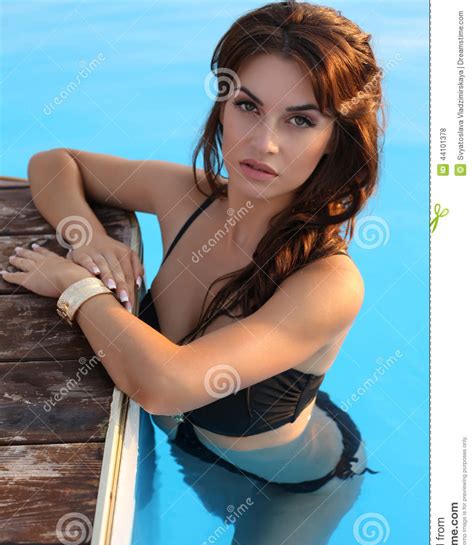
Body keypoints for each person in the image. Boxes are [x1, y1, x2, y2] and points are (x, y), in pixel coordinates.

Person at [4, 0, 383, 491]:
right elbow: (53, 163)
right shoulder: (187, 197)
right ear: (223, 106)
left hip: (294, 483)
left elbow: (165, 385)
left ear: (336, 137)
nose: (263, 143)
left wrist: (76, 287)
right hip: (190, 444)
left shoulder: (328, 283)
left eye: (300, 120)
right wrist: (87, 237)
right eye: (248, 106)